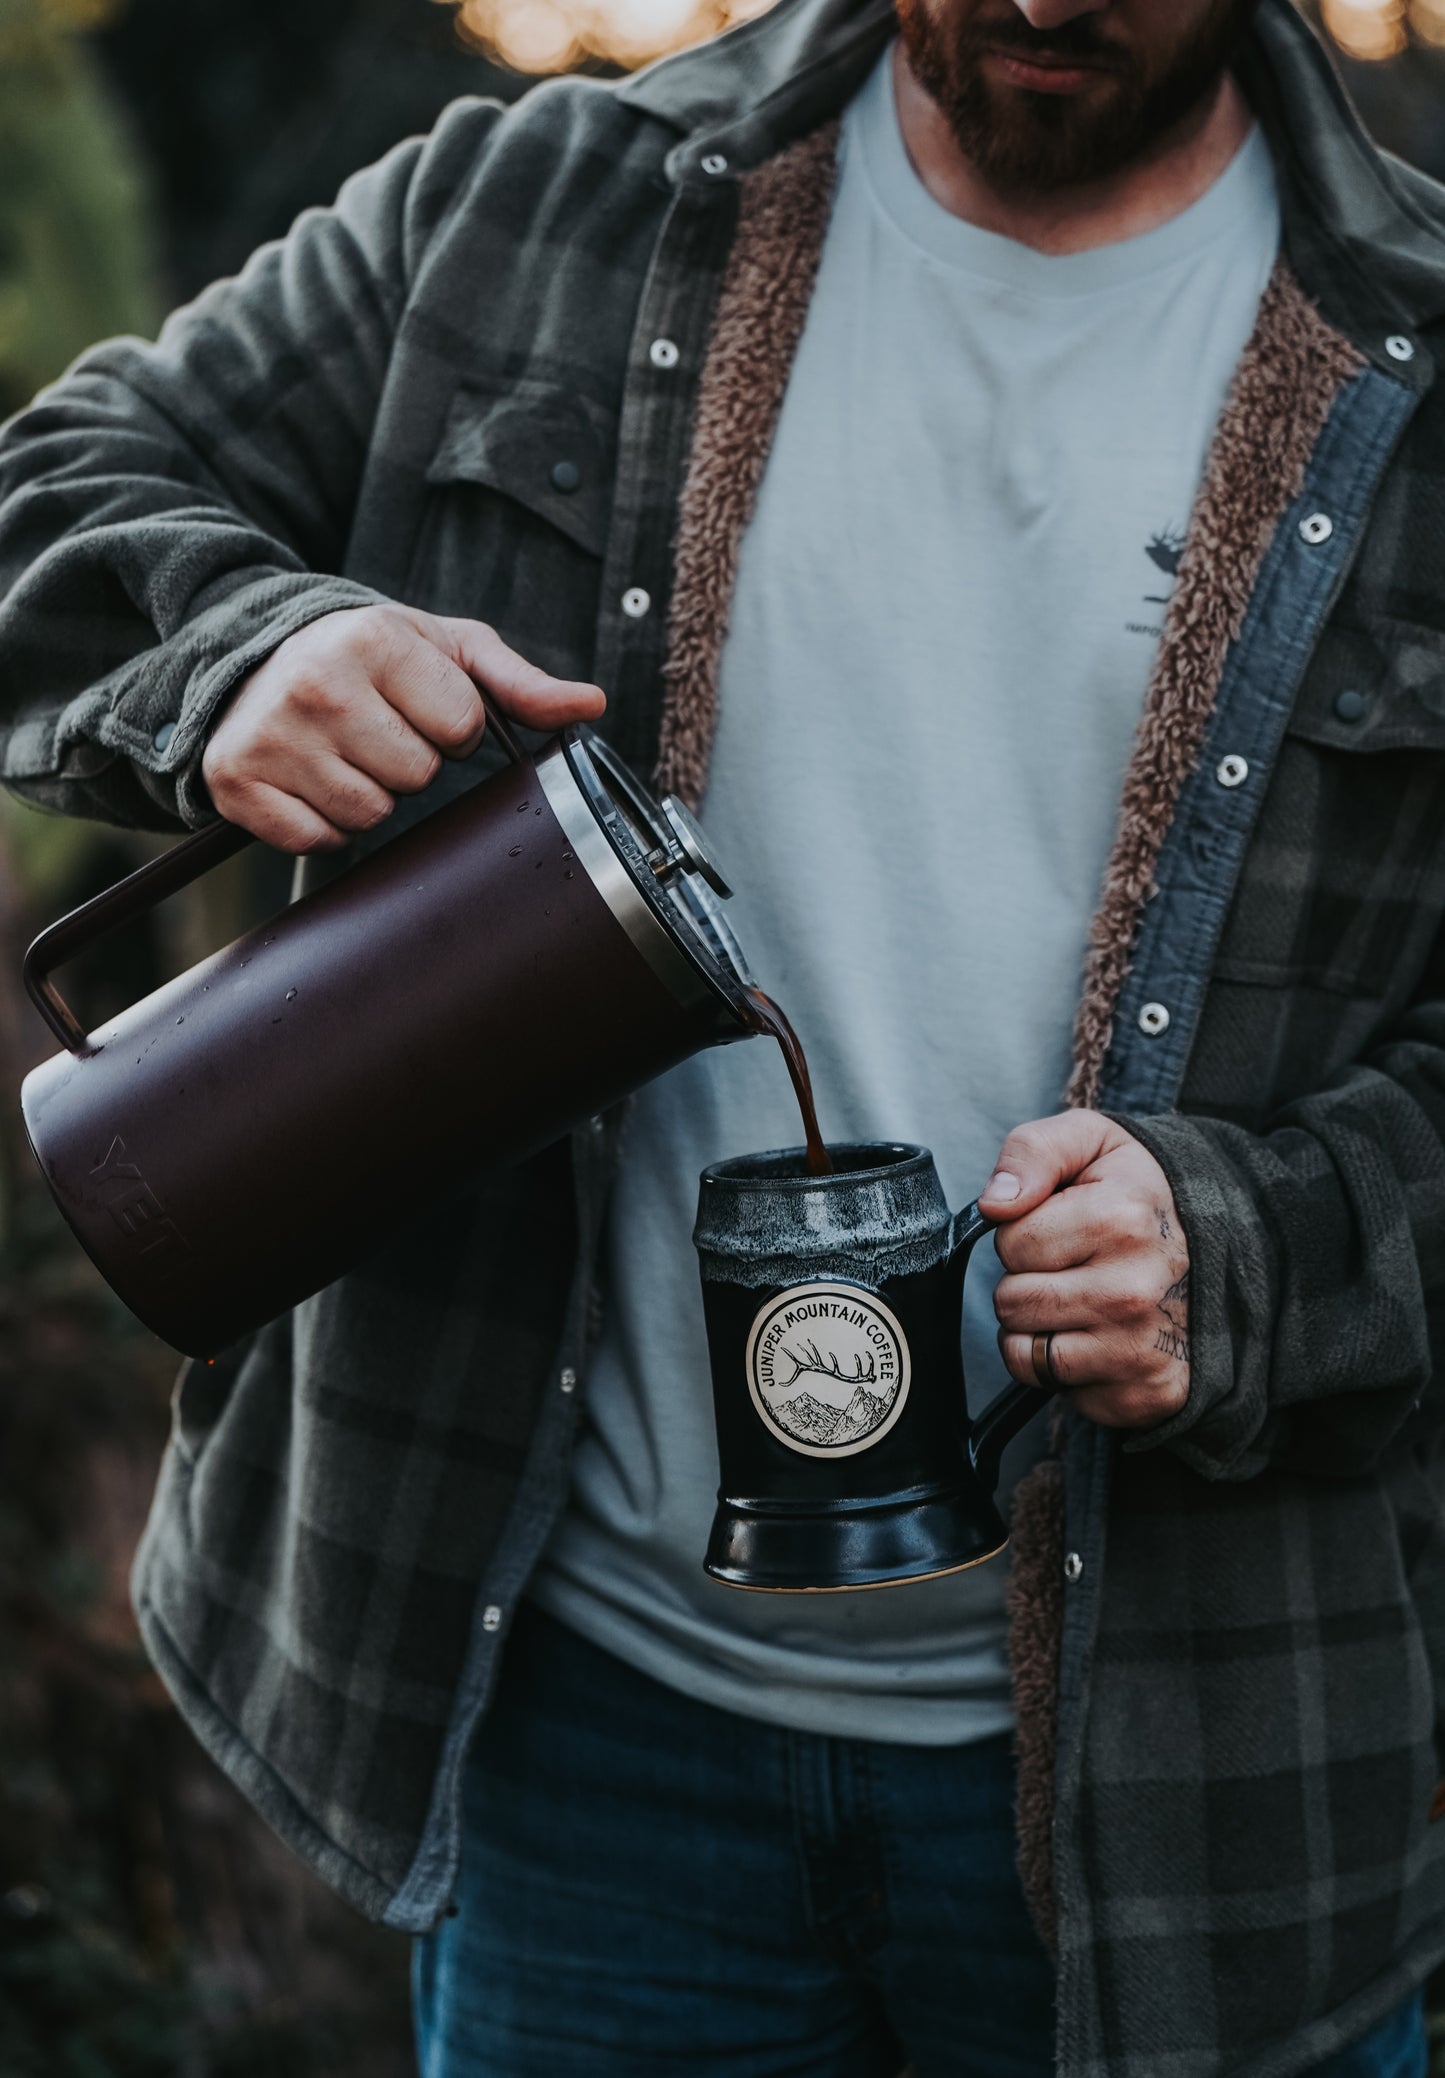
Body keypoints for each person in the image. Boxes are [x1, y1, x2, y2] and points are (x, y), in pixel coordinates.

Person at [3, 0, 1445, 2069]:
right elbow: (50, 480)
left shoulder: (1419, 358)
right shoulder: (539, 210)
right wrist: (250, 643)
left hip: (1199, 1787)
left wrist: (1258, 1239)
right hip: (597, 1754)